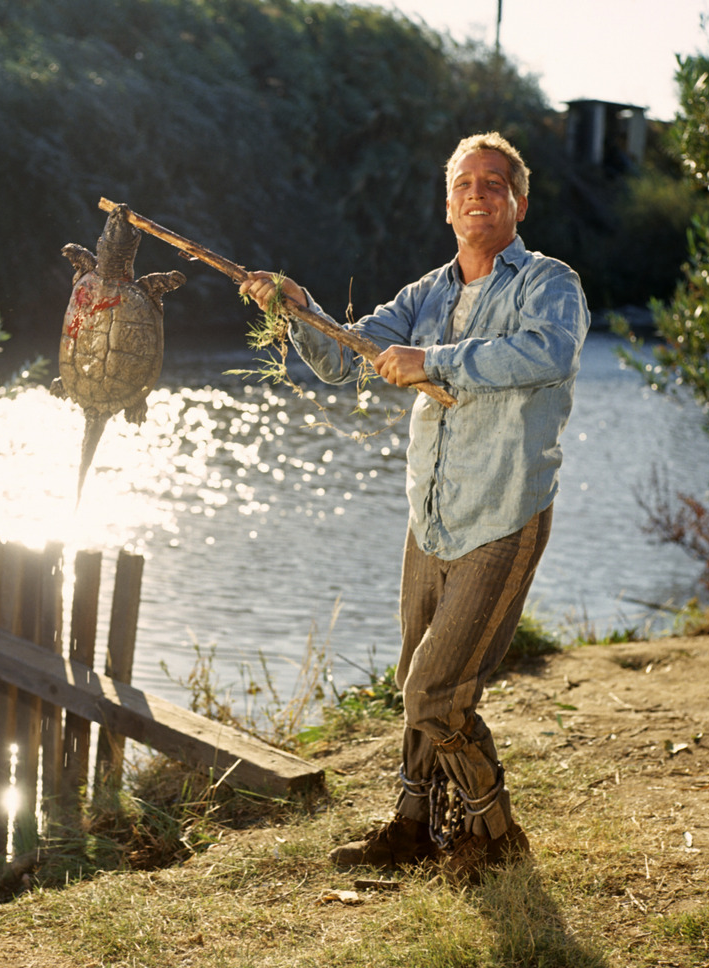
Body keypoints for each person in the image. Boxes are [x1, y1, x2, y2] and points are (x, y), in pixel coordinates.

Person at [239, 131, 590, 883]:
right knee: (415, 681)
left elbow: (546, 354)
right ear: (447, 205)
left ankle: (495, 836)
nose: (478, 193)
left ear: (518, 203)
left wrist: (434, 362)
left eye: (495, 183)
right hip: (429, 520)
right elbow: (342, 357)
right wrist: (297, 309)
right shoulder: (425, 295)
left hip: (503, 516)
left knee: (438, 691)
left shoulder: (549, 284)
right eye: (464, 183)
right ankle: (412, 828)